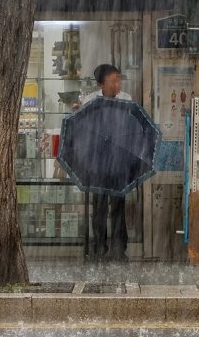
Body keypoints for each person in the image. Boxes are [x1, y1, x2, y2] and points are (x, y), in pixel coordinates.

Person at [79, 64, 131, 261]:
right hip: (97, 162)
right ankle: (99, 246)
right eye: (113, 81)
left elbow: (129, 127)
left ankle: (119, 247)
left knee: (118, 204)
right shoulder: (90, 101)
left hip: (118, 161)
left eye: (119, 80)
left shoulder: (126, 100)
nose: (117, 84)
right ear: (101, 84)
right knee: (99, 206)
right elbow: (84, 132)